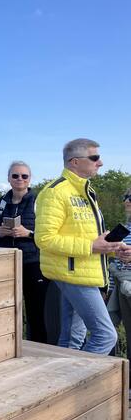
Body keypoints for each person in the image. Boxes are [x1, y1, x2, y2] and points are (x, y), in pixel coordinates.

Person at [35, 138, 131, 353]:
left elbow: (86, 235)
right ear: (75, 162)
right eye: (94, 157)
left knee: (72, 338)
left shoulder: (85, 191)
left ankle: (63, 379)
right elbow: (44, 239)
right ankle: (82, 383)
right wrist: (91, 246)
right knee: (106, 336)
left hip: (84, 271)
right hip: (74, 274)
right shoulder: (54, 192)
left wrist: (113, 248)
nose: (100, 162)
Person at [0, 161, 52, 344]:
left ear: (30, 179)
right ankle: (8, 347)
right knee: (7, 310)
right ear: (9, 178)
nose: (19, 179)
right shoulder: (2, 203)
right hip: (7, 264)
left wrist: (28, 233)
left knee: (35, 313)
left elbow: (49, 236)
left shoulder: (39, 203)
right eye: (15, 175)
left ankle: (39, 350)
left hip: (33, 264)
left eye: (24, 176)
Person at [106, 188, 131, 358]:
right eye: (126, 197)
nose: (127, 201)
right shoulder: (125, 228)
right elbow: (114, 262)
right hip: (123, 288)